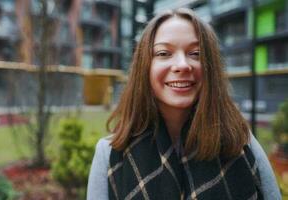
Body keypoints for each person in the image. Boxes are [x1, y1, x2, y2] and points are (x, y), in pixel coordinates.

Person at [87, 8, 281, 200]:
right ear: (144, 67)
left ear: (210, 67)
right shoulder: (109, 154)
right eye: (164, 53)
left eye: (195, 53)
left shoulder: (241, 143)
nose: (182, 65)